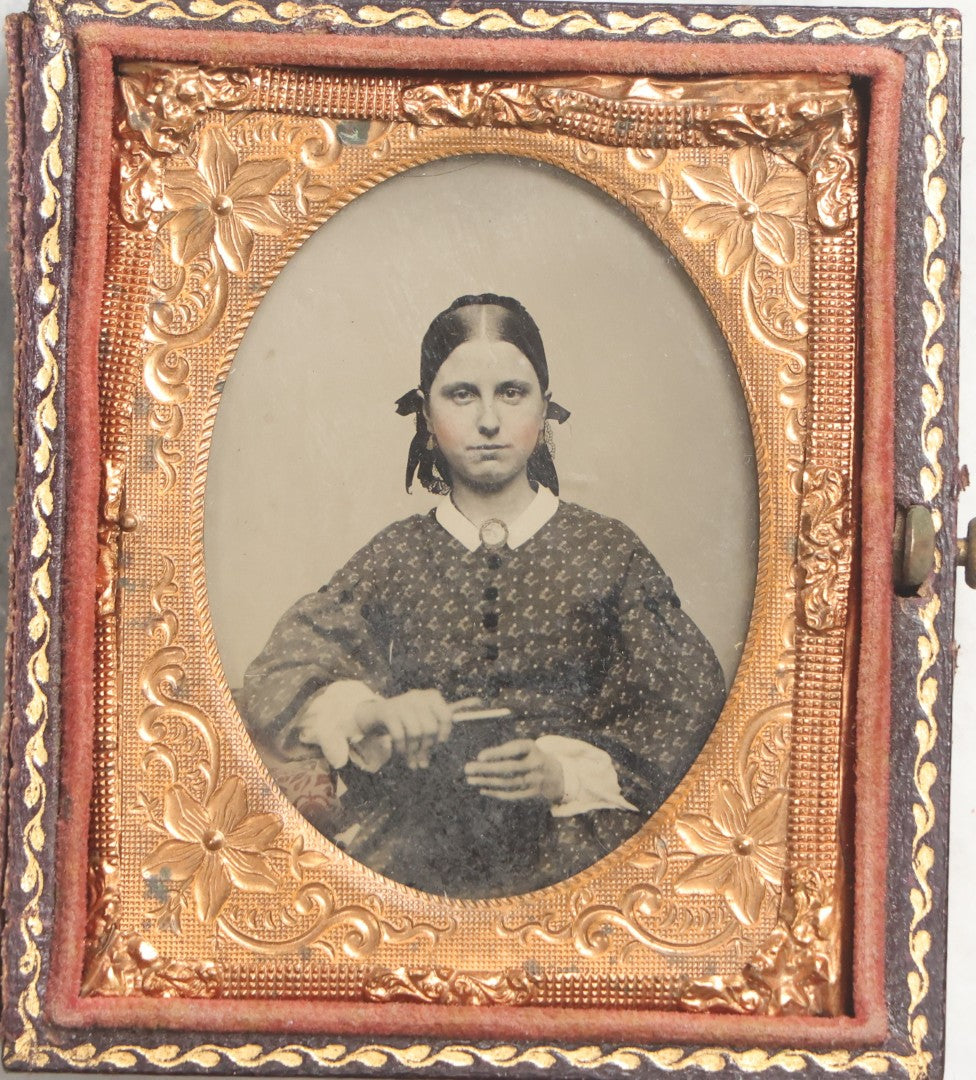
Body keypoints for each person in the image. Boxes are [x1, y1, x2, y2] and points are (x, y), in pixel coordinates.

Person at [238, 294, 725, 898]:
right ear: (426, 415)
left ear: (544, 408)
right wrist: (373, 713)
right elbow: (284, 670)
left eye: (512, 393)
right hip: (417, 844)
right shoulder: (395, 556)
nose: (489, 420)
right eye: (462, 394)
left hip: (577, 847)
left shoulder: (608, 551)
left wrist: (563, 773)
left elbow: (686, 706)